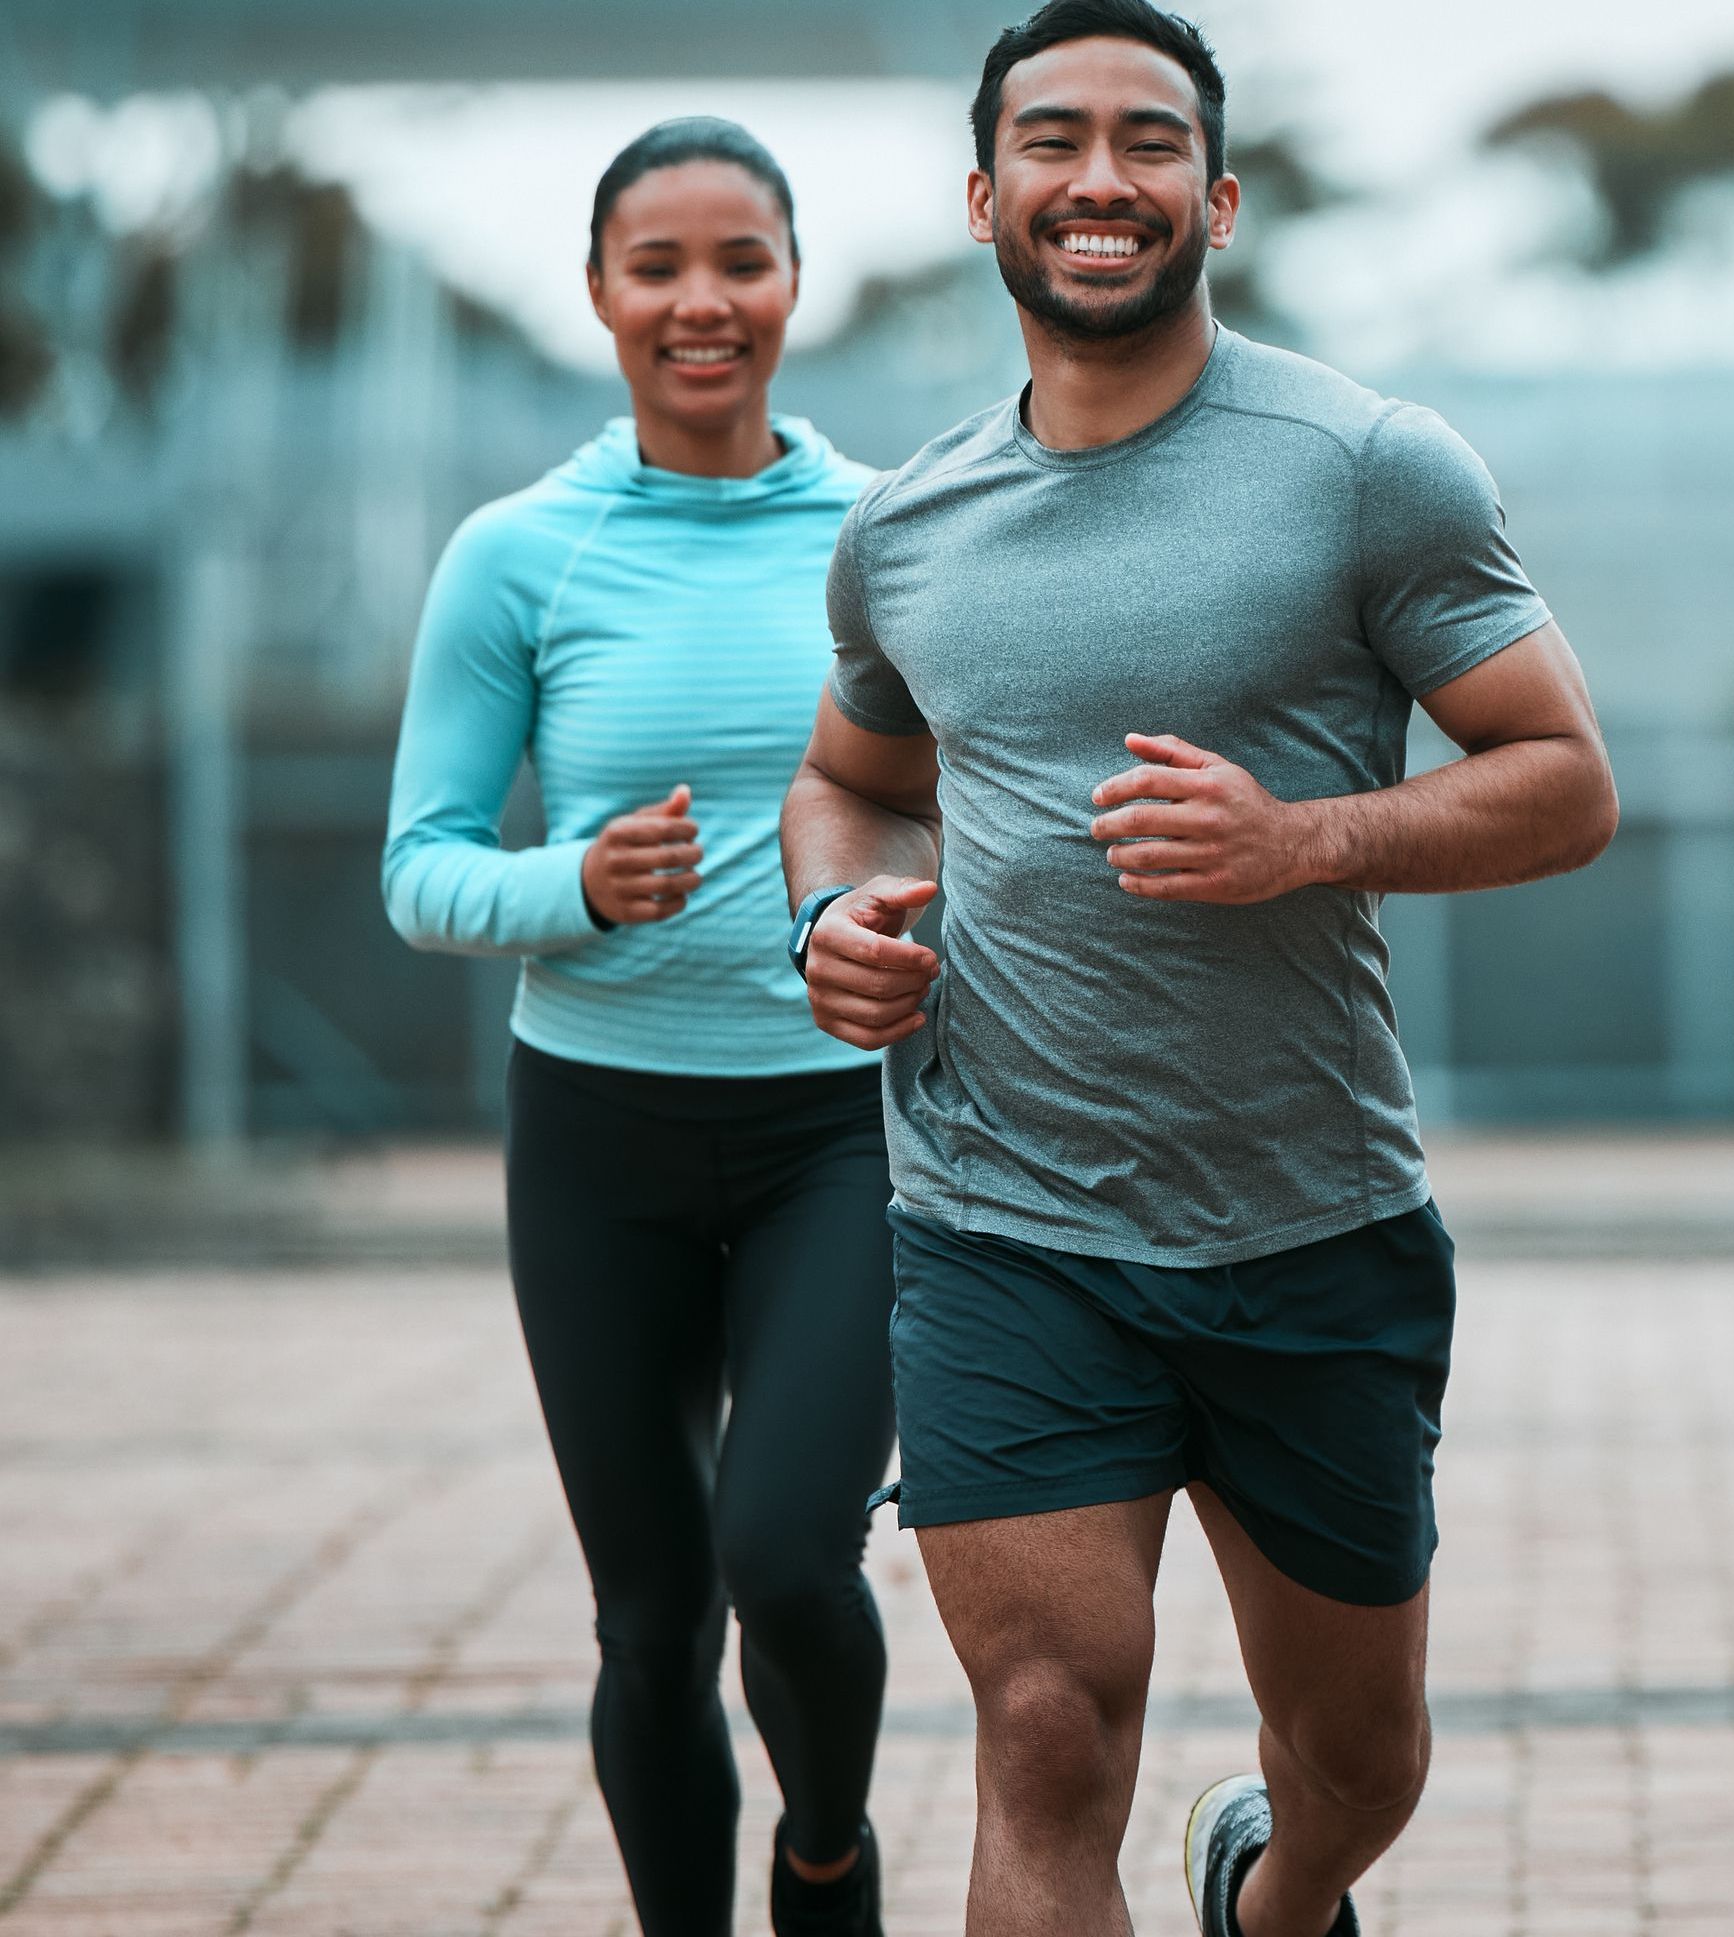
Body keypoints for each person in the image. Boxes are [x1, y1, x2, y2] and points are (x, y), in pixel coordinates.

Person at [778, 4, 1617, 1933]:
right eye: (1053, 141)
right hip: (1003, 1217)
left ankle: (1275, 1893)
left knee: (1358, 1765)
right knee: (1049, 1726)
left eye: (1147, 143)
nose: (1101, 179)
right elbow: (847, 782)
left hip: (1306, 1222)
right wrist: (831, 919)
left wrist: (1303, 837)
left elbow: (1566, 784)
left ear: (1215, 198)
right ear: (984, 195)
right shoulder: (902, 529)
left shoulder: (1365, 468)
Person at [381, 118, 894, 1937]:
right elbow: (422, 869)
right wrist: (572, 886)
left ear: (793, 283)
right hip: (599, 1140)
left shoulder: (887, 533)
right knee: (654, 1614)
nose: (702, 300)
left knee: (788, 1555)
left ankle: (825, 1856)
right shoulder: (517, 556)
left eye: (740, 260)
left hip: (847, 1131)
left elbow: (978, 814)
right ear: (598, 291)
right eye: (656, 264)